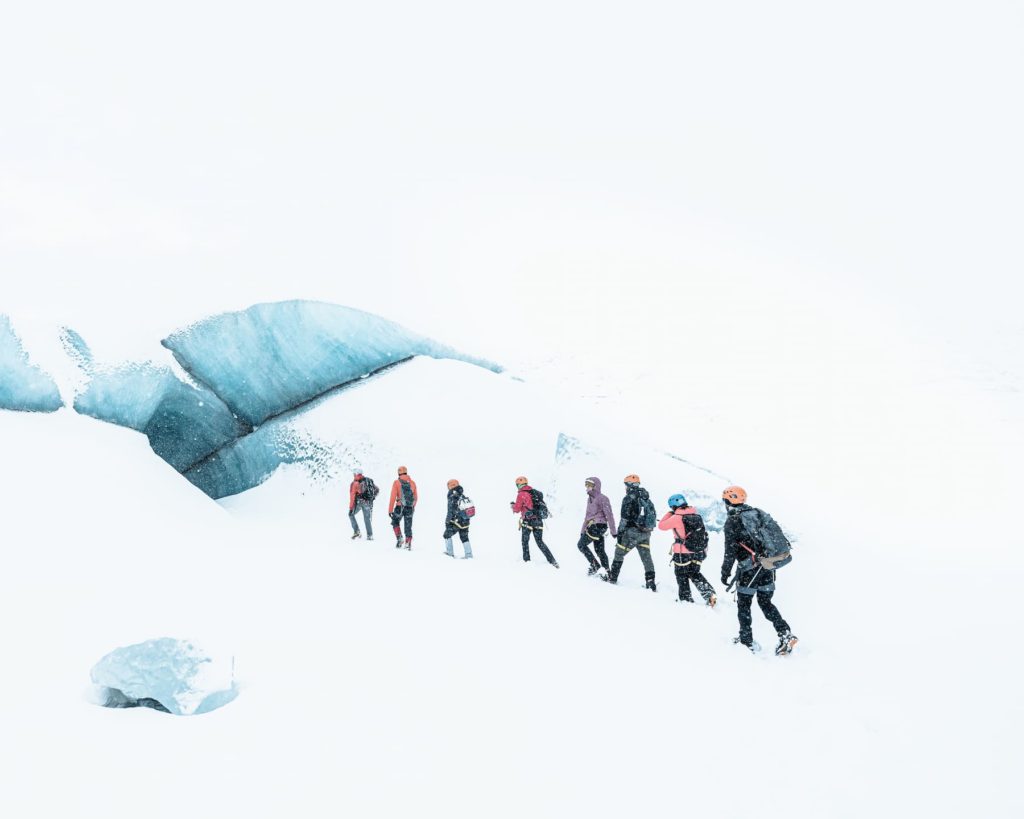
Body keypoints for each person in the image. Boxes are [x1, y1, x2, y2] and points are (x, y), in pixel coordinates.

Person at [720, 486, 798, 655]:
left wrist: (725, 572)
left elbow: (730, 551)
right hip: (767, 565)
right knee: (765, 602)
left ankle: (746, 641)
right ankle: (785, 633)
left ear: (728, 501)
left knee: (744, 604)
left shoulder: (733, 521)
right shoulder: (757, 513)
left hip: (750, 568)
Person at [658, 494, 716, 606]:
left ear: (673, 506)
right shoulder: (696, 515)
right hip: (698, 552)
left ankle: (686, 600)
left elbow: (661, 526)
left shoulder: (676, 517)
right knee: (695, 573)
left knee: (681, 575)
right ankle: (710, 594)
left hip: (682, 552)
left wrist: (669, 514)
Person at [605, 474, 658, 590]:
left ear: (629, 485)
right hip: (645, 533)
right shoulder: (645, 497)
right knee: (646, 558)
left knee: (619, 553)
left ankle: (612, 578)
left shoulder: (629, 498)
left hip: (632, 532)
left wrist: (619, 533)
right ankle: (650, 582)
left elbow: (624, 518)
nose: (625, 488)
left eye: (626, 485)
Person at [510, 476, 559, 568]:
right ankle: (552, 561)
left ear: (519, 485)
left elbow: (517, 509)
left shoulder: (521, 494)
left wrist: (513, 506)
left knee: (525, 541)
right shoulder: (534, 493)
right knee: (540, 542)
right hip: (538, 521)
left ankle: (526, 561)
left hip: (527, 521)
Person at [578, 477, 616, 575]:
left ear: (596, 486)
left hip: (599, 526)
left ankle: (597, 567)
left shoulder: (603, 498)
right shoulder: (589, 499)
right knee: (599, 550)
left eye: (589, 485)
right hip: (594, 526)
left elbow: (609, 515)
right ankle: (607, 572)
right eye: (586, 485)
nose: (587, 487)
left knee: (581, 545)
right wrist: (582, 531)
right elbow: (587, 516)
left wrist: (613, 531)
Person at [389, 466, 418, 549]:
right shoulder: (412, 483)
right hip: (409, 507)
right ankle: (408, 542)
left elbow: (392, 497)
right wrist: (412, 506)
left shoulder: (396, 482)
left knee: (395, 522)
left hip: (399, 507)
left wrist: (390, 510)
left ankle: (399, 538)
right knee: (408, 526)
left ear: (399, 473)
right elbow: (416, 497)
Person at [444, 479, 473, 559]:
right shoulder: (462, 494)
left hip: (457, 521)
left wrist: (448, 520)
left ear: (450, 486)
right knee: (464, 537)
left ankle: (449, 553)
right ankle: (469, 555)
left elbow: (451, 510)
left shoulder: (452, 495)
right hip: (465, 520)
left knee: (447, 535)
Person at [347, 469, 376, 540]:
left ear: (356, 474)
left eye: (354, 474)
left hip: (359, 502)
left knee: (351, 514)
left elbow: (352, 496)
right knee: (367, 519)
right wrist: (370, 499)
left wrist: (351, 508)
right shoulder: (368, 480)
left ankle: (357, 531)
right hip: (368, 502)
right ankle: (370, 535)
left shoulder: (354, 483)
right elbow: (376, 490)